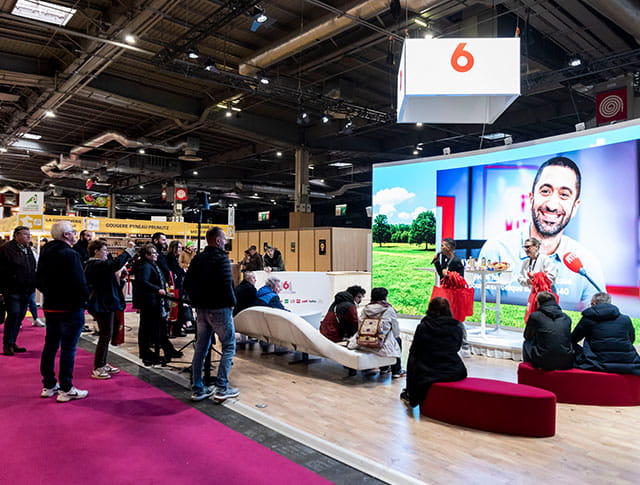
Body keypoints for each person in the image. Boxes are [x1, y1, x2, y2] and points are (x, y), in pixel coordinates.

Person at [479, 156, 605, 310]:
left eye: (564, 194)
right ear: (531, 199)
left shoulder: (587, 263)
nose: (552, 205)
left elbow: (598, 319)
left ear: (575, 207)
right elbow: (481, 311)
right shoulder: (496, 249)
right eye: (545, 191)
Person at [37, 221, 90, 402]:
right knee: (69, 348)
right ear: (66, 235)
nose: (75, 234)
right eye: (73, 232)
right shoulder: (71, 254)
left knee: (51, 345)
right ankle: (66, 388)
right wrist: (84, 300)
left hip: (51, 306)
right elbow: (79, 282)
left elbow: (39, 280)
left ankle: (49, 384)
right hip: (70, 307)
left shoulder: (45, 253)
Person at [184, 227, 239, 402]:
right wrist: (232, 304)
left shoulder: (198, 258)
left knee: (201, 348)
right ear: (217, 240)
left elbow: (188, 282)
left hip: (201, 309)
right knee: (229, 345)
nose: (225, 241)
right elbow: (227, 284)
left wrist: (196, 300)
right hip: (220, 309)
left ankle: (197, 388)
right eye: (223, 238)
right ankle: (222, 388)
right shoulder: (221, 258)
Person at [401, 297, 467, 408]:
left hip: (428, 371)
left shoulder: (423, 326)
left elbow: (415, 350)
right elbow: (457, 347)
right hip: (454, 370)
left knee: (412, 357)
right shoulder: (457, 327)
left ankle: (411, 393)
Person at [85, 239, 135, 379]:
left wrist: (122, 279)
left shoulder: (99, 265)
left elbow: (111, 284)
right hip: (102, 304)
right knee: (105, 335)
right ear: (96, 251)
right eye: (105, 250)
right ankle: (98, 366)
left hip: (107, 303)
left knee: (107, 334)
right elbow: (115, 264)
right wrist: (129, 250)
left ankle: (102, 363)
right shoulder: (95, 264)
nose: (107, 253)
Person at [133, 243, 182, 366]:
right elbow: (143, 281)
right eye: (153, 253)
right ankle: (148, 354)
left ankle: (166, 349)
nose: (156, 255)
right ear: (147, 255)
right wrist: (157, 289)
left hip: (154, 301)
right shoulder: (145, 266)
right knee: (149, 328)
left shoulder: (151, 264)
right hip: (150, 301)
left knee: (158, 327)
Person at [571, 292, 640, 375]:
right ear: (610, 303)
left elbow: (573, 339)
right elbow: (631, 339)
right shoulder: (625, 319)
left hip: (598, 363)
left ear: (593, 303)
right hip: (628, 362)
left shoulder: (588, 319)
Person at [0, 226, 36, 355]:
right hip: (12, 289)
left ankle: (12, 342)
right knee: (13, 314)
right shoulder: (6, 249)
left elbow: (31, 266)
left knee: (20, 316)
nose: (28, 237)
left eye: (29, 234)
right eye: (26, 234)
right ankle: (7, 344)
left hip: (26, 289)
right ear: (17, 235)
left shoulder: (27, 249)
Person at [347, 287, 401, 365]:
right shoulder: (389, 309)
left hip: (361, 342)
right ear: (385, 297)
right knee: (398, 340)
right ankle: (396, 370)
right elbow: (396, 332)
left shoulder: (366, 309)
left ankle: (385, 368)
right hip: (380, 344)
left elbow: (360, 326)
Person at [523, 291, 573, 370]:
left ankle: (529, 370)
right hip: (566, 361)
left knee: (527, 342)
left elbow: (527, 336)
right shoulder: (567, 317)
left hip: (542, 361)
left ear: (538, 303)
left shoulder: (535, 316)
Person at [166, 240, 188, 337]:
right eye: (178, 247)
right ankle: (173, 330)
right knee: (174, 308)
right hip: (174, 287)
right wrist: (183, 270)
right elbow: (176, 271)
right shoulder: (170, 258)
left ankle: (177, 329)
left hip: (178, 285)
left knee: (179, 308)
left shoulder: (174, 258)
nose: (180, 249)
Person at [27, 241, 45, 327]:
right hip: (18, 282)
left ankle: (35, 318)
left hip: (30, 281)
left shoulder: (32, 253)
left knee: (31, 301)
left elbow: (38, 264)